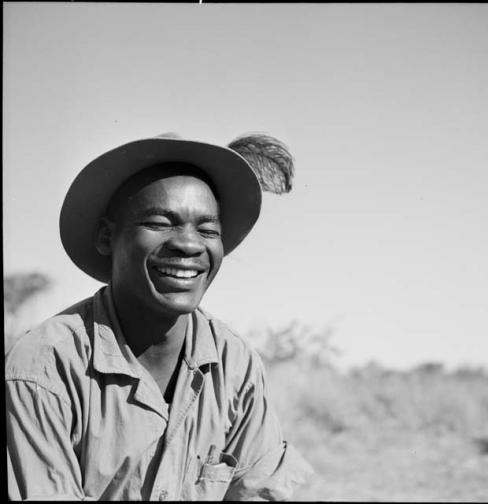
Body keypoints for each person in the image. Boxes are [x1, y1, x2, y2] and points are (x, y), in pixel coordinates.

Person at [6, 132, 314, 501]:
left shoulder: (235, 363)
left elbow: (259, 490)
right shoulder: (44, 367)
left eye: (208, 229)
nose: (188, 243)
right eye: (159, 222)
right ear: (107, 236)